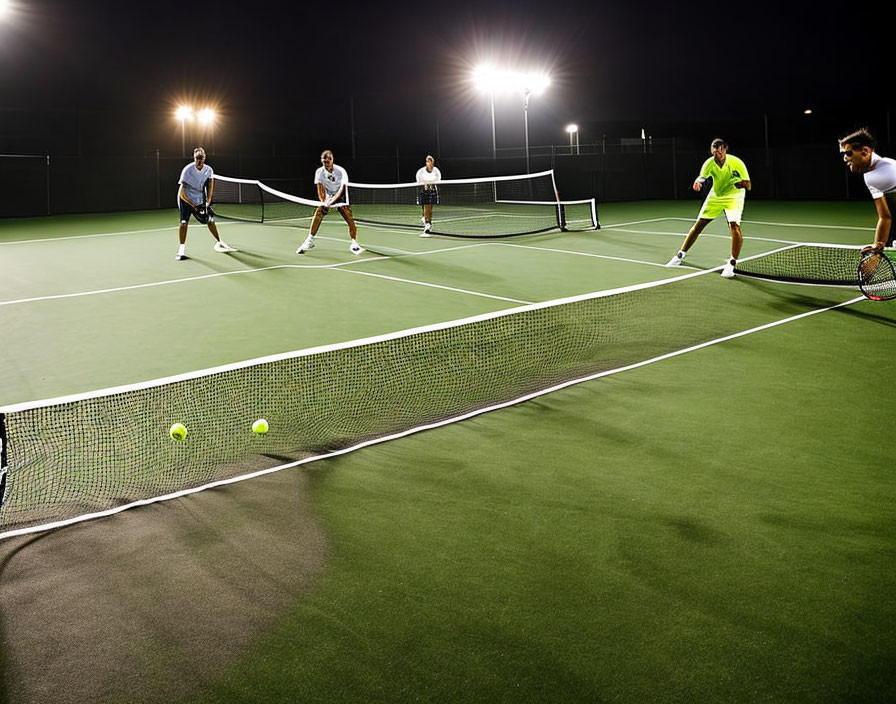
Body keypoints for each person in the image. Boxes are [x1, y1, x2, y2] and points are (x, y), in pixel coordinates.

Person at [665, 137, 751, 278]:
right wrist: (697, 182)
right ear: (712, 151)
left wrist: (739, 183)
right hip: (715, 196)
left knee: (734, 226)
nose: (719, 153)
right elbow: (702, 177)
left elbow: (749, 185)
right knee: (699, 225)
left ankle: (732, 264)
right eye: (715, 150)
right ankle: (680, 255)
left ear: (725, 149)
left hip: (734, 196)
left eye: (721, 150)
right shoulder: (708, 164)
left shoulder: (737, 163)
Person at [838, 127, 896, 253]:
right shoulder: (871, 174)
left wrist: (879, 245)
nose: (845, 158)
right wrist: (878, 245)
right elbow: (886, 217)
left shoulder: (885, 172)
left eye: (848, 153)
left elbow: (886, 217)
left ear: (865, 151)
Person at [175, 146, 237, 261]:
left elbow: (210, 184)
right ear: (194, 158)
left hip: (199, 199)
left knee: (210, 220)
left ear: (205, 158)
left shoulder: (209, 170)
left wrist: (207, 200)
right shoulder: (187, 170)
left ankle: (219, 242)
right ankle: (181, 250)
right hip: (185, 199)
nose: (199, 160)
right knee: (183, 222)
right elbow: (182, 193)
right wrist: (194, 206)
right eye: (197, 158)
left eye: (201, 158)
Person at [297, 150, 363, 255]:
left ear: (332, 160)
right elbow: (320, 189)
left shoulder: (341, 171)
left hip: (341, 197)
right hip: (328, 197)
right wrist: (325, 203)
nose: (326, 163)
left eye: (328, 160)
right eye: (324, 161)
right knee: (318, 213)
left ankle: (354, 242)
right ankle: (309, 241)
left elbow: (342, 189)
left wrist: (333, 201)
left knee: (349, 219)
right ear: (321, 161)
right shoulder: (319, 172)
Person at [415, 155, 442, 237]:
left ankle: (428, 227)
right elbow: (418, 179)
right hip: (423, 191)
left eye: (430, 161)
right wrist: (424, 184)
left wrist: (430, 184)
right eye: (427, 161)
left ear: (432, 162)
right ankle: (426, 220)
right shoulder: (421, 171)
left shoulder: (436, 171)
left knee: (429, 208)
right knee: (424, 207)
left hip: (432, 191)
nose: (429, 163)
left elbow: (438, 180)